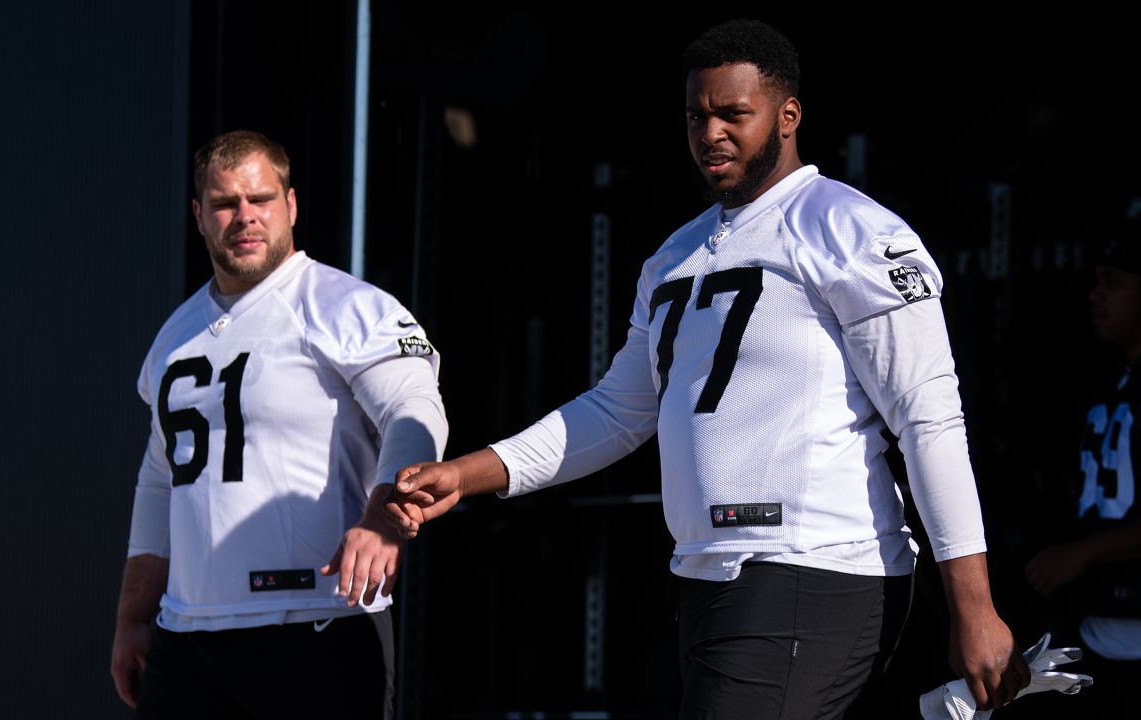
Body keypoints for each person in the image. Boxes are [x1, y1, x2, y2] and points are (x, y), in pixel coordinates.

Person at [387, 19, 1028, 719]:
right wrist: (469, 472)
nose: (710, 132)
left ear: (788, 117)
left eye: (733, 114)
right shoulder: (675, 255)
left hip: (813, 570)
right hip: (704, 577)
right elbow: (618, 410)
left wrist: (974, 606)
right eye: (697, 115)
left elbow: (928, 417)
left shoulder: (849, 228)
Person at [109, 130, 448, 719]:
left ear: (290, 204)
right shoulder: (173, 336)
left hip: (317, 626)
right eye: (224, 204)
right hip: (186, 638)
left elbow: (415, 412)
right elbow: (160, 481)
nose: (244, 217)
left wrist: (384, 514)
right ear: (199, 215)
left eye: (260, 199)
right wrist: (134, 617)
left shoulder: (347, 307)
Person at [1023, 216, 1141, 715]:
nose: (1096, 295)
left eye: (1113, 282)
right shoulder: (1108, 384)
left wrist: (1087, 552)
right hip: (1098, 634)